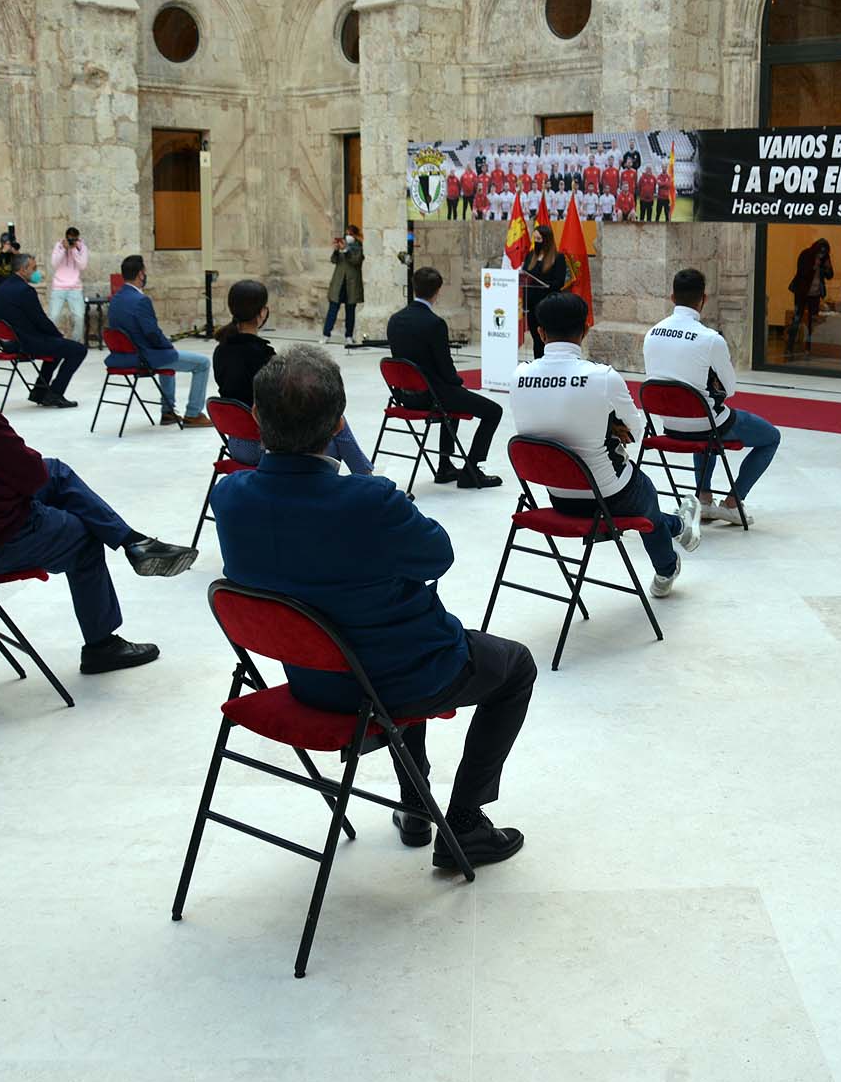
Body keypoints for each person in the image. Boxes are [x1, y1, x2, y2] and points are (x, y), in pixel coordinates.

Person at [211, 345, 533, 869]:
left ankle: (415, 805)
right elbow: (438, 555)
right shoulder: (367, 501)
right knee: (514, 665)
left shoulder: (230, 497)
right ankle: (466, 822)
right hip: (388, 679)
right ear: (339, 423)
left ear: (256, 420)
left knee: (389, 630)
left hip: (315, 677)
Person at [0, 311, 197, 674]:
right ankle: (103, 641)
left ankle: (133, 541)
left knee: (55, 471)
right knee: (83, 533)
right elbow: (25, 474)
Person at [513, 292, 701, 595]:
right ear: (586, 329)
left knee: (638, 497)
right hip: (607, 494)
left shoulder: (519, 376)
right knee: (645, 493)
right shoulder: (602, 377)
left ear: (540, 332)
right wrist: (608, 425)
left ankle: (680, 526)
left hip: (557, 495)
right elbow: (636, 432)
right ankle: (667, 567)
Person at [642, 268, 782, 525]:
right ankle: (732, 503)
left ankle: (704, 498)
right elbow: (730, 390)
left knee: (703, 415)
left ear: (672, 297)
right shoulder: (710, 339)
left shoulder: (651, 334)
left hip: (669, 425)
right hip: (705, 423)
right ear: (703, 299)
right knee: (771, 437)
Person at [212, 278, 372, 472]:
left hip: (236, 444)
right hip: (264, 447)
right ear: (262, 313)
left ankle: (364, 475)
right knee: (333, 419)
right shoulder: (263, 356)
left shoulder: (220, 350)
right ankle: (366, 477)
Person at [384, 267, 503, 488]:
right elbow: (447, 371)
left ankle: (445, 466)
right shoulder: (434, 323)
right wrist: (459, 387)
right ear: (438, 291)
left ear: (414, 286)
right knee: (494, 411)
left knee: (454, 400)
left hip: (405, 395)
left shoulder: (395, 320)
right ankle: (471, 469)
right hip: (431, 395)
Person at [106, 254, 211, 428]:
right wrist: (168, 345)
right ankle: (193, 414)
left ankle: (167, 411)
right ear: (141, 274)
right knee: (202, 363)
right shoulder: (141, 300)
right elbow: (152, 334)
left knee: (165, 355)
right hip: (143, 357)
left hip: (122, 355)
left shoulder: (115, 299)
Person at [0, 253, 87, 407]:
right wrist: (58, 335)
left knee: (56, 347)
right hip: (25, 342)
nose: (36, 272)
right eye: (33, 268)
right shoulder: (25, 290)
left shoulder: (3, 287)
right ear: (23, 269)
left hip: (9, 342)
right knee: (78, 350)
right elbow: (40, 319)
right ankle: (55, 393)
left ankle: (39, 392)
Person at [521, 225, 569, 360]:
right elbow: (525, 277)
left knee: (547, 340)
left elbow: (559, 282)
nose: (536, 241)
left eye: (539, 239)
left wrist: (545, 285)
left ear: (546, 240)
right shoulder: (531, 256)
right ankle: (538, 365)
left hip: (548, 305)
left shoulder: (558, 258)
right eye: (534, 238)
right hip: (532, 305)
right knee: (536, 339)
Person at [787, 239, 833, 354]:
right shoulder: (805, 255)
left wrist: (827, 267)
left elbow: (830, 276)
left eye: (823, 253)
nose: (821, 255)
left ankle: (810, 347)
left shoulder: (825, 258)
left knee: (813, 321)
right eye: (820, 252)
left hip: (815, 294)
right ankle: (790, 346)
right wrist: (814, 266)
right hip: (802, 292)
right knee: (797, 318)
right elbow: (802, 273)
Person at [324, 225, 365, 347]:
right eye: (347, 233)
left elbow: (356, 261)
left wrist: (346, 250)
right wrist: (337, 250)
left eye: (351, 234)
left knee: (350, 310)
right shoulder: (342, 245)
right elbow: (333, 260)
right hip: (339, 283)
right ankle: (326, 334)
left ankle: (349, 335)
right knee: (333, 309)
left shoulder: (358, 247)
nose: (348, 236)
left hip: (351, 284)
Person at [46, 227, 88, 339]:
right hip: (58, 287)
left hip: (75, 287)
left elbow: (82, 265)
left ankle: (75, 342)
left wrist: (74, 250)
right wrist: (63, 249)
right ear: (66, 237)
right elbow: (54, 263)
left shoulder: (81, 247)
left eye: (74, 239)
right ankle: (53, 341)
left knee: (79, 317)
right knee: (53, 316)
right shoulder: (59, 246)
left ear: (78, 239)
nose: (71, 241)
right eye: (70, 239)